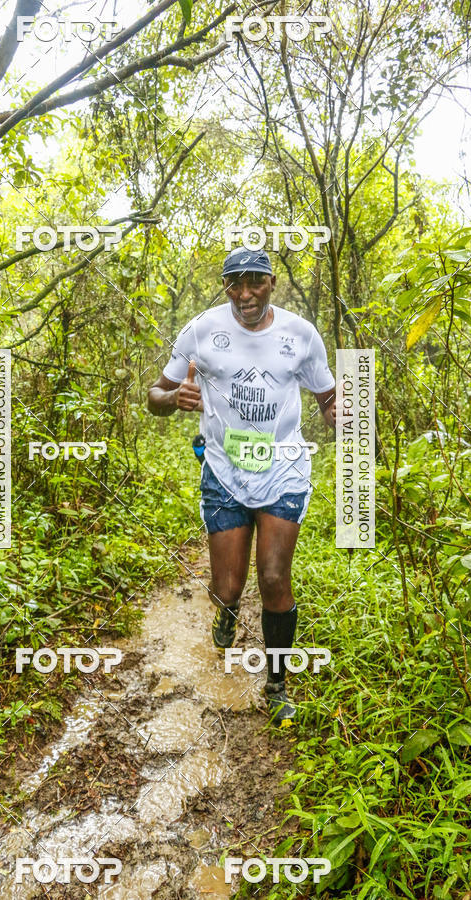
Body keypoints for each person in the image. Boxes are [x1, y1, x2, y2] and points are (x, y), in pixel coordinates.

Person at [147, 247, 336, 721]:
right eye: (235, 284)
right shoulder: (201, 329)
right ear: (226, 286)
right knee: (227, 587)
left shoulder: (300, 334)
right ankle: (227, 614)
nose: (245, 294)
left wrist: (338, 413)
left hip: (283, 470)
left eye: (255, 282)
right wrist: (173, 396)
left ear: (273, 283)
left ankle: (276, 686)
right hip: (224, 472)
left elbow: (327, 394)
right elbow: (153, 395)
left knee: (273, 577)